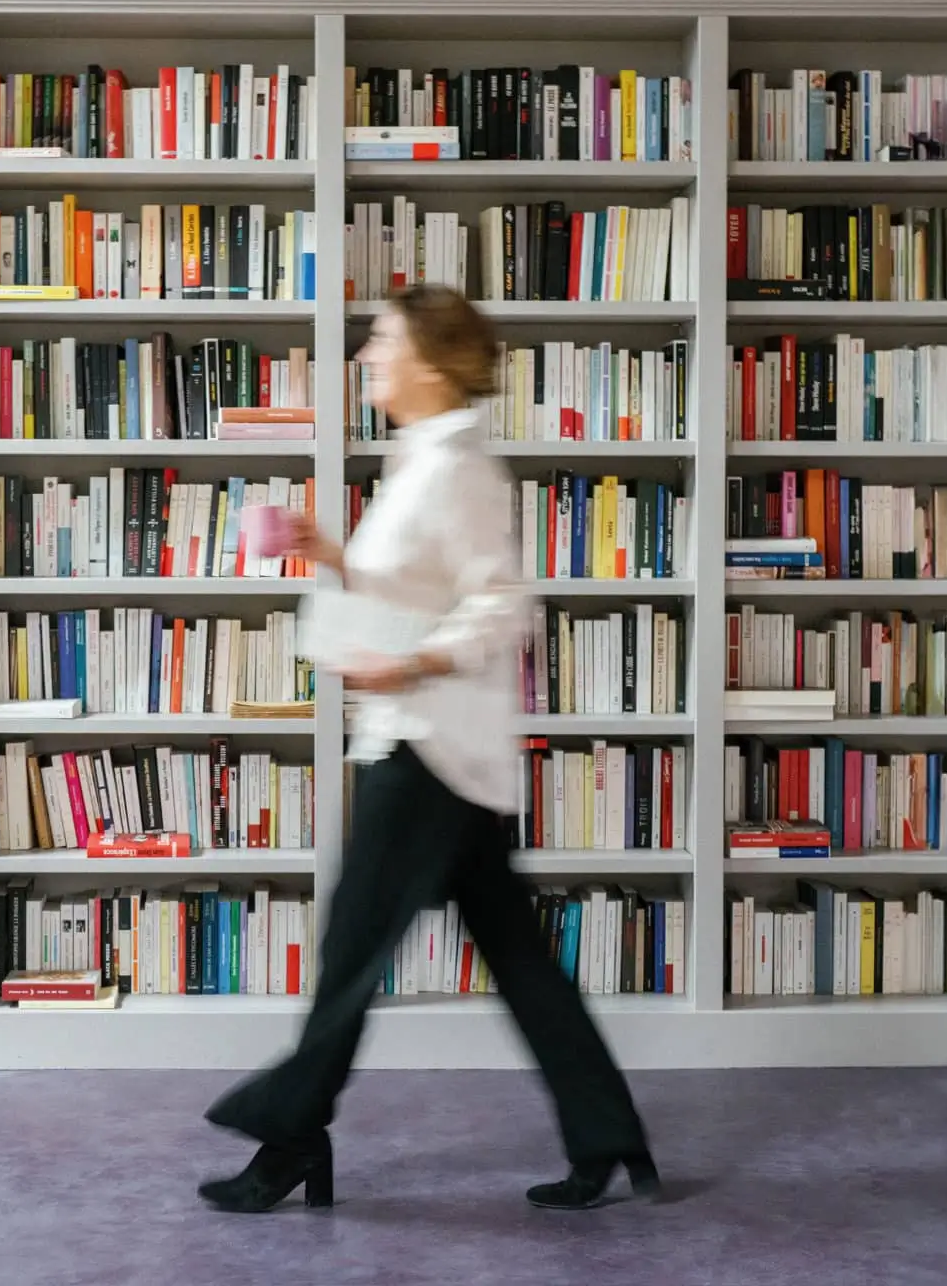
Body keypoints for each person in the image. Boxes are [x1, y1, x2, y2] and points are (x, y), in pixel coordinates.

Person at [198, 284, 659, 1214]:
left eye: (381, 340)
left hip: (431, 748)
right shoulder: (418, 458)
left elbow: (501, 604)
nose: (367, 354)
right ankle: (607, 1136)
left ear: (433, 361)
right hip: (435, 746)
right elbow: (421, 582)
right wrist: (330, 553)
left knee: (350, 953)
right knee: (520, 960)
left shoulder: (459, 467)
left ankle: (288, 1138)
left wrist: (411, 663)